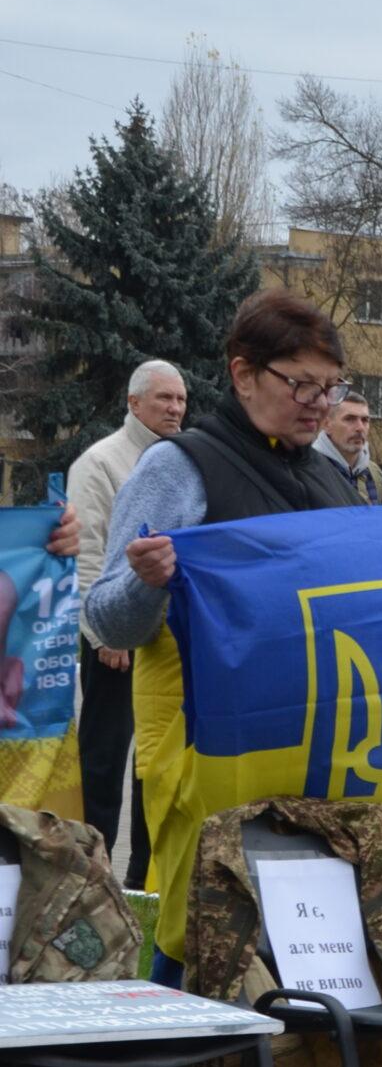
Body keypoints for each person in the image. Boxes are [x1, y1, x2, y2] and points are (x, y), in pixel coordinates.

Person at [87, 292, 382, 976]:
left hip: (313, 749)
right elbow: (107, 618)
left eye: (331, 386)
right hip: (210, 753)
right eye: (301, 384)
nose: (318, 402)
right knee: (203, 937)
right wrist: (145, 581)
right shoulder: (179, 467)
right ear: (243, 374)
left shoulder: (327, 475)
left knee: (299, 955)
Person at [67, 357, 186, 886]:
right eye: (164, 398)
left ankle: (141, 880)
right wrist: (102, 635)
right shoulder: (100, 463)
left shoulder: (180, 463)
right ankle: (91, 876)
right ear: (134, 404)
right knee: (105, 762)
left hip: (165, 639)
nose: (176, 408)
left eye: (181, 399)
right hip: (112, 638)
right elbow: (87, 553)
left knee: (153, 763)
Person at [315, 393, 382, 503]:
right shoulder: (309, 470)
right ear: (326, 424)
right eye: (350, 419)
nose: (360, 428)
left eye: (365, 420)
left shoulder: (376, 475)